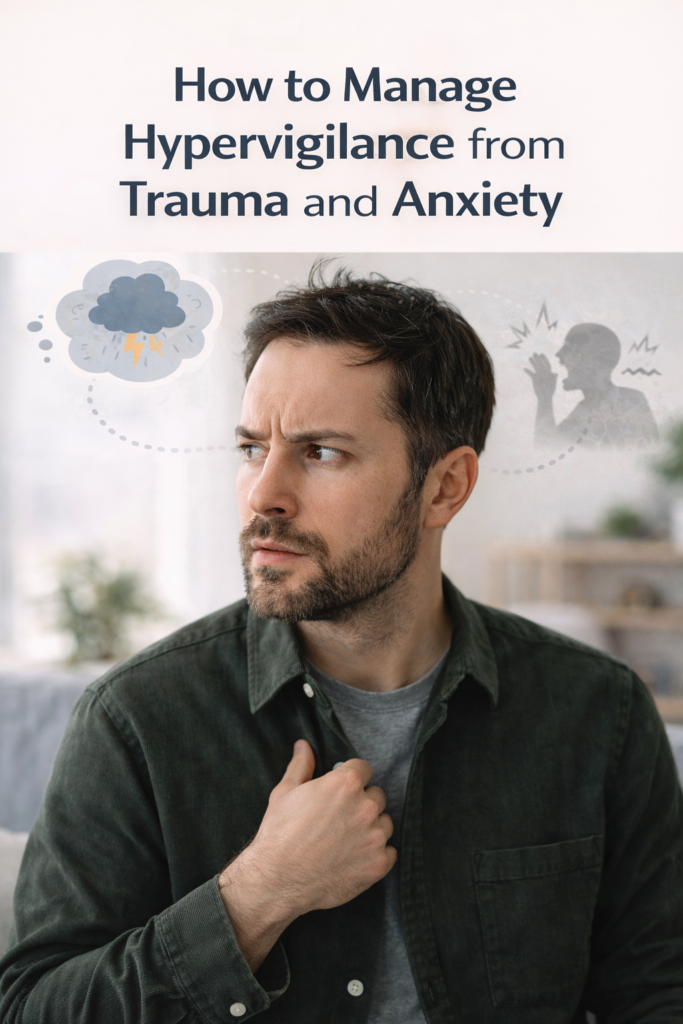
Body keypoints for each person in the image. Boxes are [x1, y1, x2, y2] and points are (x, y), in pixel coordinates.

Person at [1, 267, 682, 1023]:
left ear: (444, 488)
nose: (263, 494)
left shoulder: (598, 714)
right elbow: (32, 1006)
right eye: (252, 447)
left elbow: (656, 995)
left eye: (320, 451)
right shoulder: (136, 720)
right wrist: (258, 894)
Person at [525, 322, 659, 448]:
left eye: (568, 348)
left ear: (592, 360)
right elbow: (547, 451)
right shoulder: (582, 410)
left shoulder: (632, 401)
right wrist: (544, 400)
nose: (559, 355)